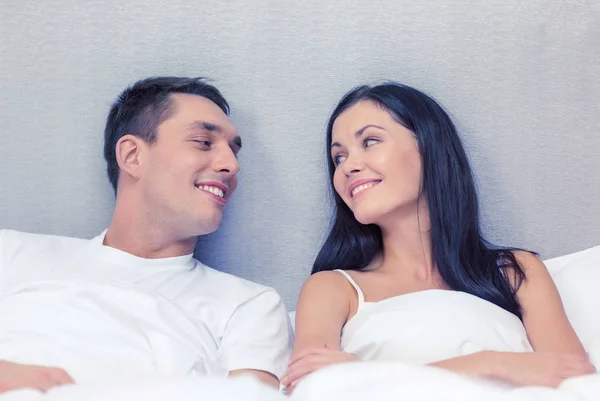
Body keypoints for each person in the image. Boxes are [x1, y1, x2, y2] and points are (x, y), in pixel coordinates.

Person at [283, 82, 595, 390]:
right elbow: (313, 389)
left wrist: (368, 374)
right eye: (338, 157)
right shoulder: (333, 288)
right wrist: (489, 364)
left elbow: (577, 382)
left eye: (370, 141)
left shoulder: (514, 272)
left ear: (429, 147)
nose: (348, 166)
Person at [0, 77, 292, 394]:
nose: (231, 165)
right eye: (204, 142)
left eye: (234, 152)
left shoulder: (247, 306)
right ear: (132, 156)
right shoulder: (12, 254)